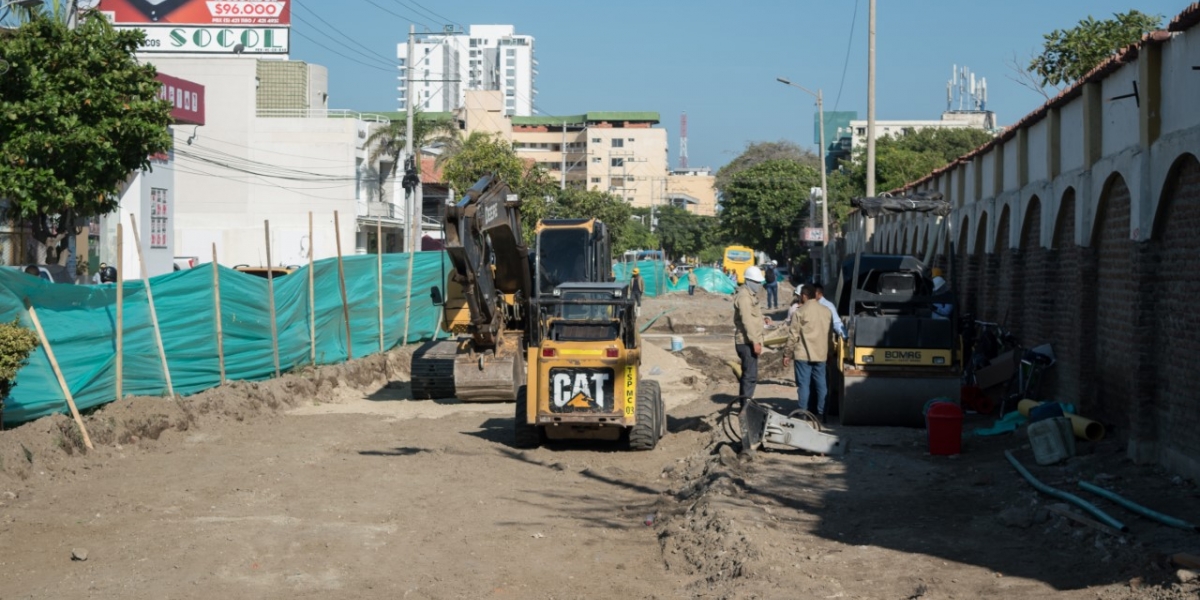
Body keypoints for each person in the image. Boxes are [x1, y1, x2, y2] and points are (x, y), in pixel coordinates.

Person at [784, 284, 832, 422]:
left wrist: (787, 354)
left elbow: (793, 335)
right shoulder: (826, 311)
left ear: (804, 296)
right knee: (821, 384)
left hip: (803, 355)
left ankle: (803, 413)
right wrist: (829, 352)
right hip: (821, 354)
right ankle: (822, 414)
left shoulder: (800, 312)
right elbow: (829, 336)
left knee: (803, 385)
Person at [733, 265, 766, 399]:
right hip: (746, 342)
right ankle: (745, 406)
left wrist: (764, 319)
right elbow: (747, 321)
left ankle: (746, 403)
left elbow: (753, 316)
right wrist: (755, 342)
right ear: (749, 281)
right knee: (749, 376)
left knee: (751, 375)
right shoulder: (744, 298)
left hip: (749, 342)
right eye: (757, 282)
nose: (758, 285)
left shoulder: (750, 296)